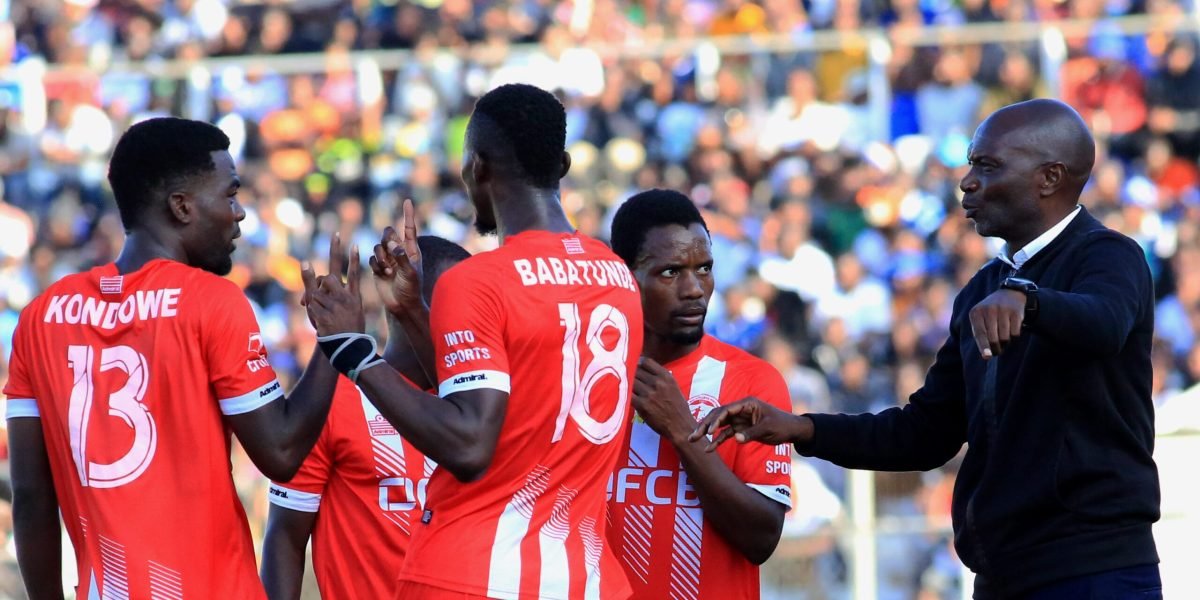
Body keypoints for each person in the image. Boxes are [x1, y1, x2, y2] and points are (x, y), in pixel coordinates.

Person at [695, 98, 1162, 599]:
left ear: (1049, 178)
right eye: (970, 165)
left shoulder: (1110, 255)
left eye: (987, 166)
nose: (967, 182)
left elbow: (1105, 322)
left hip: (1095, 573)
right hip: (1004, 577)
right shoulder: (985, 288)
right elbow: (924, 434)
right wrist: (801, 429)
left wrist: (1029, 302)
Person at [302, 83, 644, 600]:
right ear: (564, 165)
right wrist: (414, 313)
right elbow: (516, 404)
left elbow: (469, 444)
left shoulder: (480, 280)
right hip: (587, 579)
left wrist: (354, 352)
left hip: (473, 575)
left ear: (478, 167)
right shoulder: (617, 278)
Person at [4, 117, 340, 599]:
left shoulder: (40, 317)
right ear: (182, 207)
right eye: (229, 195)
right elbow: (281, 452)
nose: (240, 213)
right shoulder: (211, 301)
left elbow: (33, 498)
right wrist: (335, 343)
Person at [260, 235, 470, 600]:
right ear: (410, 303)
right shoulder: (332, 399)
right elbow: (285, 537)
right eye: (465, 307)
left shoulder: (479, 408)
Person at [606, 189, 792, 600]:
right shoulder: (590, 377)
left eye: (704, 268)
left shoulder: (752, 382)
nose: (694, 289)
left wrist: (682, 430)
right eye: (671, 272)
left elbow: (762, 538)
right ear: (624, 275)